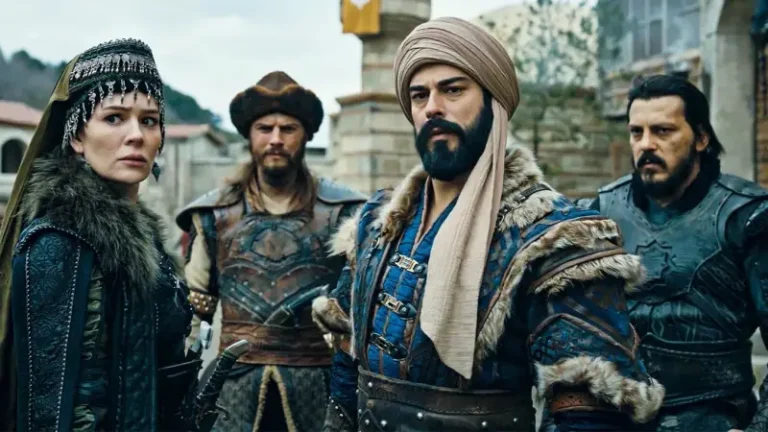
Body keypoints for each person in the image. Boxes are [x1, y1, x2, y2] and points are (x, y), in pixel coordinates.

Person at [312, 17, 665, 432]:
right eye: (419, 95)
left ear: (492, 103)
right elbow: (346, 362)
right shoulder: (377, 226)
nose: (432, 107)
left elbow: (589, 414)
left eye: (453, 90)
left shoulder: (554, 238)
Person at [0, 39, 196, 431]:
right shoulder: (60, 242)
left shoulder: (142, 235)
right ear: (76, 137)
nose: (136, 135)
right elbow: (50, 409)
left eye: (149, 121)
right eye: (114, 118)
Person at [176, 71, 368, 431]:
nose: (276, 139)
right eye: (265, 128)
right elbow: (192, 314)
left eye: (288, 129)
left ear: (306, 136)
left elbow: (360, 313)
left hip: (318, 387)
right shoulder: (213, 215)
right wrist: (179, 388)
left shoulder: (345, 212)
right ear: (249, 136)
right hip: (232, 389)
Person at [579, 74, 768, 432]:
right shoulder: (601, 213)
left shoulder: (747, 217)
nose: (646, 145)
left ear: (701, 138)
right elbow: (572, 327)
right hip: (613, 415)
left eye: (663, 131)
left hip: (715, 414)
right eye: (636, 132)